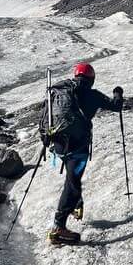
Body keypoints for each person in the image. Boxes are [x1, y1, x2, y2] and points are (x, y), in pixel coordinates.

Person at [40, 63, 123, 246]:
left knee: (72, 179)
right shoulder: (93, 95)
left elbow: (45, 114)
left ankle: (76, 205)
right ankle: (58, 227)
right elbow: (116, 106)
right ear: (91, 79)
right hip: (78, 148)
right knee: (73, 183)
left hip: (59, 146)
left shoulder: (60, 92)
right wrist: (118, 92)